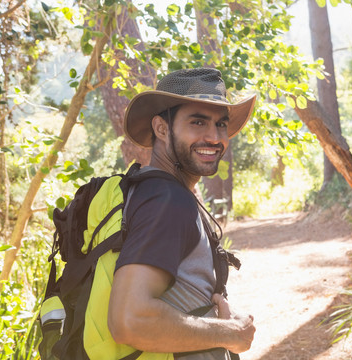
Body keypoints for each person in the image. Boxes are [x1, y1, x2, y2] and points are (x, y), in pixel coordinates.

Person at [108, 68, 257, 359]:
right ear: (162, 129)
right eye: (198, 122)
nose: (214, 137)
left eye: (221, 124)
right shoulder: (167, 202)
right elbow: (130, 320)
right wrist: (232, 334)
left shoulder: (148, 189)